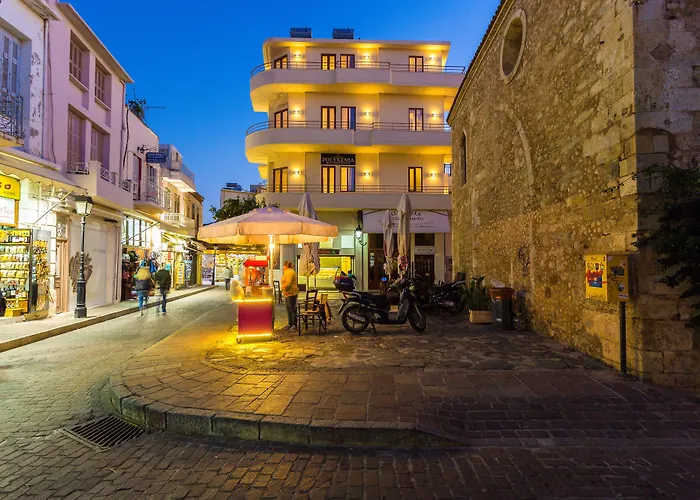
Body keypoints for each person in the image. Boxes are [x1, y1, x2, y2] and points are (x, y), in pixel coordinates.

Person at [281, 261, 299, 331]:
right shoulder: (287, 272)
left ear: (286, 266)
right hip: (287, 293)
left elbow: (288, 283)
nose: (283, 267)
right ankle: (290, 323)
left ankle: (294, 325)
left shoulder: (289, 272)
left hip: (291, 293)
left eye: (283, 265)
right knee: (288, 309)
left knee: (292, 309)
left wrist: (283, 288)